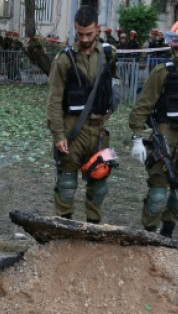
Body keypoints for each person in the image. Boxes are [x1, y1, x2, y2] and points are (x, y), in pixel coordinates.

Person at [128, 18, 178, 238]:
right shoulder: (162, 73)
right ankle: (148, 234)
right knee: (157, 195)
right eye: (177, 49)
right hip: (165, 135)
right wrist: (137, 138)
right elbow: (141, 107)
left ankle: (167, 235)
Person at [45, 6, 119, 222]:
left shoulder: (109, 54)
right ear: (75, 30)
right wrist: (58, 135)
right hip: (71, 130)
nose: (85, 39)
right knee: (67, 185)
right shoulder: (64, 60)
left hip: (98, 132)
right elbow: (54, 100)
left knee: (99, 183)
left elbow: (114, 83)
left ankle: (93, 229)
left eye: (89, 33)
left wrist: (111, 107)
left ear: (98, 29)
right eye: (80, 34)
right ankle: (64, 227)